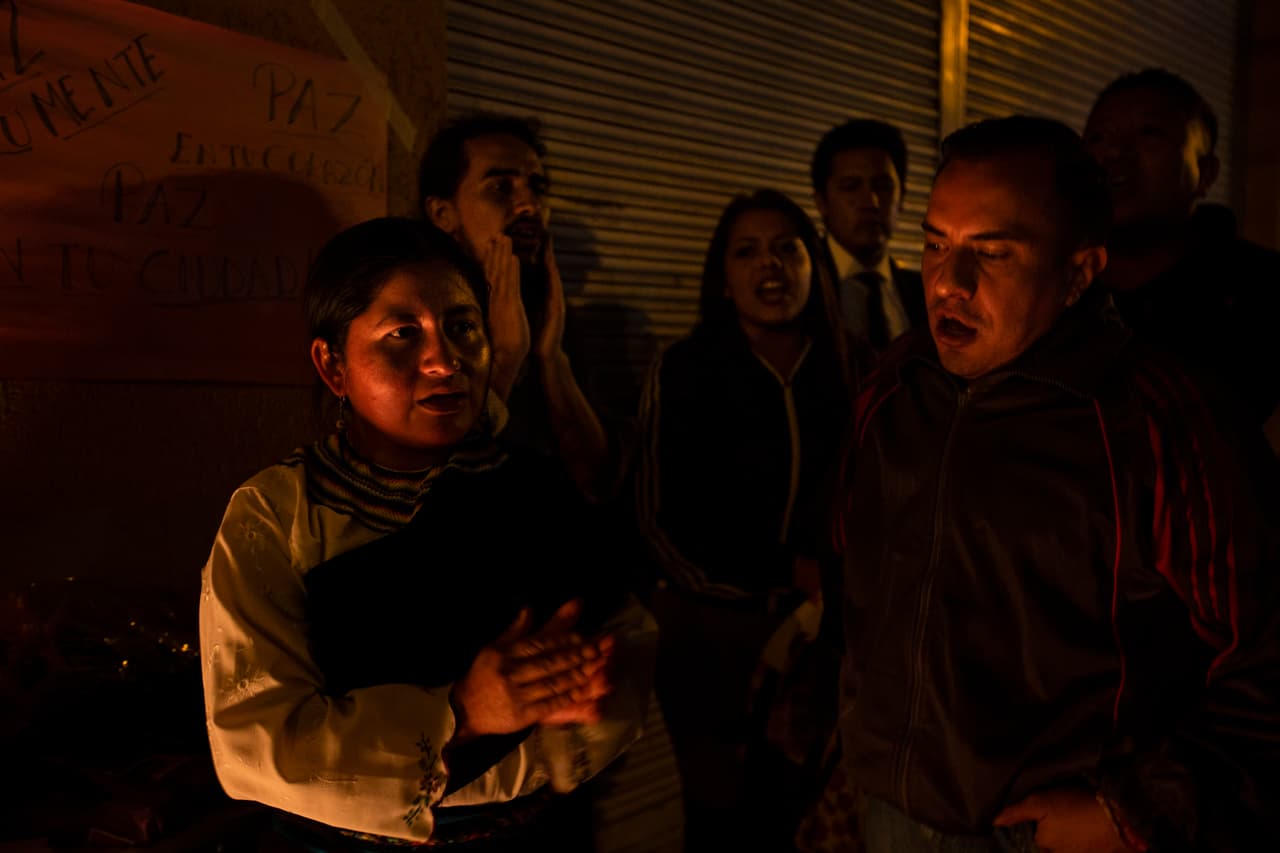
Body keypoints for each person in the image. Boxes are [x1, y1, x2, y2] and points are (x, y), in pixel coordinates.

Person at [838, 116, 1280, 852]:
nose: (948, 282)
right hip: (892, 813)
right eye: (936, 243)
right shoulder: (894, 386)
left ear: (1080, 271)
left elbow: (1267, 652)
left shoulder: (1159, 422)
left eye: (994, 253)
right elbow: (857, 582)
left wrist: (1134, 810)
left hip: (1060, 830)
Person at [199, 217, 656, 849]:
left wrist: (580, 692)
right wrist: (465, 715)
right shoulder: (277, 516)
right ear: (333, 365)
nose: (446, 361)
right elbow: (254, 744)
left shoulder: (532, 485)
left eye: (464, 327)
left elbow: (625, 633)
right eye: (402, 334)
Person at [637, 189, 854, 850]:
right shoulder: (686, 369)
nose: (771, 265)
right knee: (721, 818)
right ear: (723, 278)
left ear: (814, 264)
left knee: (810, 813)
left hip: (826, 630)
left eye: (788, 247)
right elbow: (655, 518)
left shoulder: (857, 365)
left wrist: (836, 587)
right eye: (748, 250)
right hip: (711, 634)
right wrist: (778, 571)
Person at [419, 115, 617, 498]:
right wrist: (506, 357)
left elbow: (596, 480)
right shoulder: (421, 323)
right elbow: (425, 489)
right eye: (500, 187)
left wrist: (552, 358)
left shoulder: (549, 313)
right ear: (444, 214)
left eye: (536, 188)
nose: (529, 206)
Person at [1083, 68, 1280, 431]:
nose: (1112, 152)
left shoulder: (1261, 290)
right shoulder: (1053, 285)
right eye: (1098, 137)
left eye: (1149, 133)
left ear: (1205, 172)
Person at [812, 118, 927, 350]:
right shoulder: (801, 288)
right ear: (821, 201)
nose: (871, 202)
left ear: (901, 196)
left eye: (883, 186)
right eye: (851, 186)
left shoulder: (926, 292)